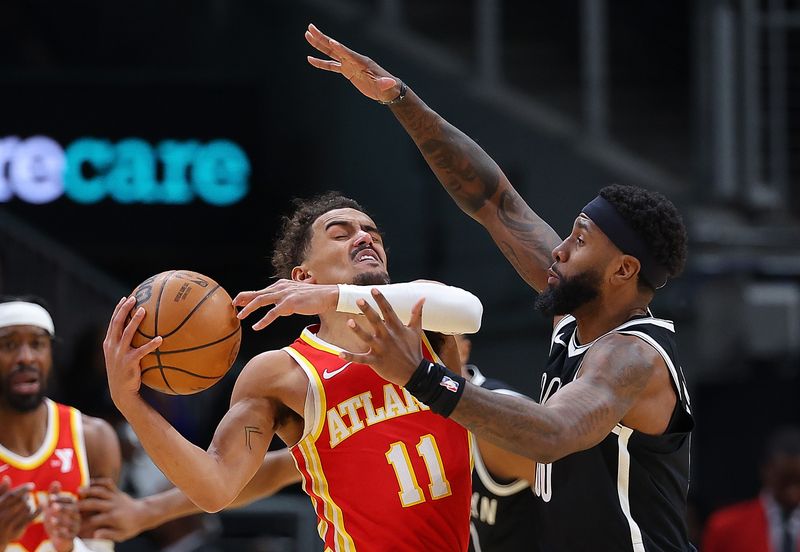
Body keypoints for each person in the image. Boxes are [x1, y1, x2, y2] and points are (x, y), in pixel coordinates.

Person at [305, 24, 695, 551]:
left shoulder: (632, 357)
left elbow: (553, 434)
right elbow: (494, 200)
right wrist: (399, 97)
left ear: (623, 270)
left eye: (578, 242)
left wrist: (422, 377)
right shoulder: (578, 311)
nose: (558, 250)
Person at [102, 192, 483, 551]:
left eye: (372, 232)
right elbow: (215, 488)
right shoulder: (281, 373)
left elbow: (469, 311)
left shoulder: (423, 316)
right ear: (302, 278)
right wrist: (130, 403)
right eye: (341, 233)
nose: (365, 237)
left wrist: (334, 297)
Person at [0, 296, 121, 552]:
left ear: (51, 354)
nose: (26, 358)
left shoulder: (93, 438)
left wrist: (69, 545)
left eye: (37, 344)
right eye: (9, 345)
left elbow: (100, 548)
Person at [702, 427, 800, 552]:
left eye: (798, 481)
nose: (792, 491)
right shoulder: (725, 527)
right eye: (785, 479)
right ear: (766, 470)